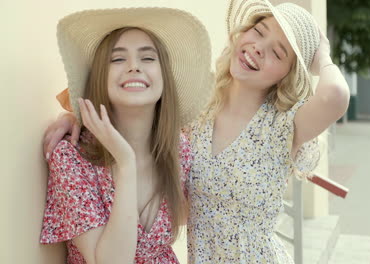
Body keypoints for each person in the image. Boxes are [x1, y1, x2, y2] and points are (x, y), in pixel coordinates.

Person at [43, 0, 350, 263]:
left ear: (287, 73)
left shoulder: (284, 123)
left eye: (278, 53)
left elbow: (334, 97)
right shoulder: (199, 115)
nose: (258, 49)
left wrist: (322, 55)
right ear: (242, 33)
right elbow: (140, 105)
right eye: (258, 32)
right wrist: (74, 117)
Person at [39, 7, 212, 264]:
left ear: (164, 78)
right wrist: (126, 163)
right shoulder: (72, 157)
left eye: (148, 58)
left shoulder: (179, 149)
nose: (133, 67)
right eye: (117, 59)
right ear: (100, 77)